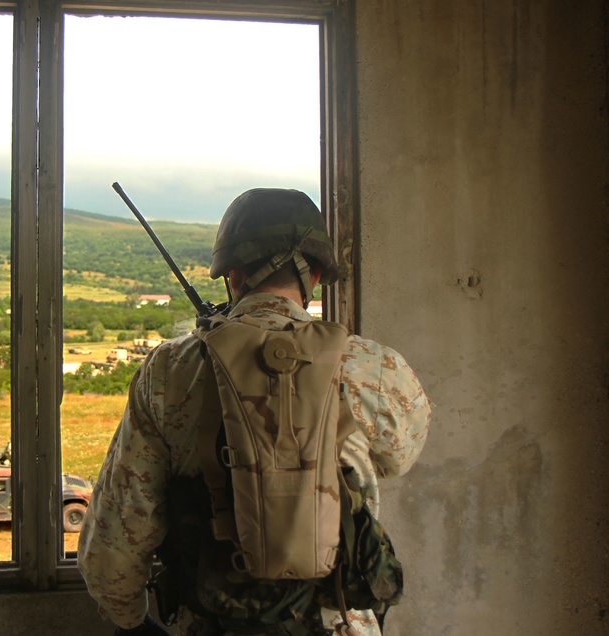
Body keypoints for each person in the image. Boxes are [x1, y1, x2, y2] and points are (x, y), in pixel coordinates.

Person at [78, 188, 431, 636]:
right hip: (339, 622)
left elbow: (115, 540)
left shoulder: (169, 370)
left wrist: (130, 620)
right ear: (317, 274)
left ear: (233, 274)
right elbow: (398, 458)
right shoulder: (373, 368)